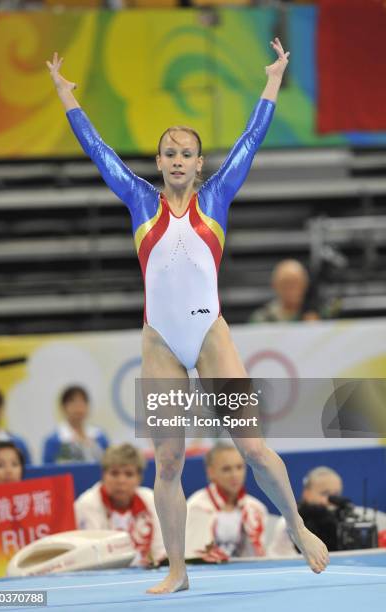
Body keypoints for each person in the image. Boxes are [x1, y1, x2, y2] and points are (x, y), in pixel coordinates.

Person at [47, 37, 328, 594]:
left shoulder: (218, 197)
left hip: (208, 335)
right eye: (168, 153)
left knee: (251, 445)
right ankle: (177, 570)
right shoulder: (138, 201)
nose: (177, 160)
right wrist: (66, 97)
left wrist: (273, 80)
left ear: (199, 163)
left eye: (186, 153)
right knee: (169, 463)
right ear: (159, 162)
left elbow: (252, 139)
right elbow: (98, 150)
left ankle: (297, 526)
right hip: (159, 344)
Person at [74, 443, 166, 567]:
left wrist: (157, 561)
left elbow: (161, 551)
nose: (121, 481)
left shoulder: (150, 499)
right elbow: (94, 555)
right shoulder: (87, 504)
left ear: (139, 478)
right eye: (114, 473)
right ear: (103, 475)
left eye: (129, 474)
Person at [268, 466, 386, 556]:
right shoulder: (288, 522)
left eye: (336, 495)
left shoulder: (342, 521)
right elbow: (280, 559)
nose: (331, 500)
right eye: (325, 493)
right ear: (307, 493)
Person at [185, 443, 268, 561]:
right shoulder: (197, 507)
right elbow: (194, 558)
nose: (235, 475)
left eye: (239, 467)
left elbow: (258, 560)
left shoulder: (256, 508)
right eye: (226, 469)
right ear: (211, 472)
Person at [42, 385, 109, 464]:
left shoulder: (99, 436)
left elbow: (108, 465)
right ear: (63, 407)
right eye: (73, 402)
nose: (78, 407)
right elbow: (49, 470)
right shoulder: (54, 440)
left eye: (83, 402)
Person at [250, 259, 321, 323]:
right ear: (274, 285)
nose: (291, 288)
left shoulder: (320, 312)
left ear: (306, 284)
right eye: (285, 283)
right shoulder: (263, 318)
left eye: (296, 282)